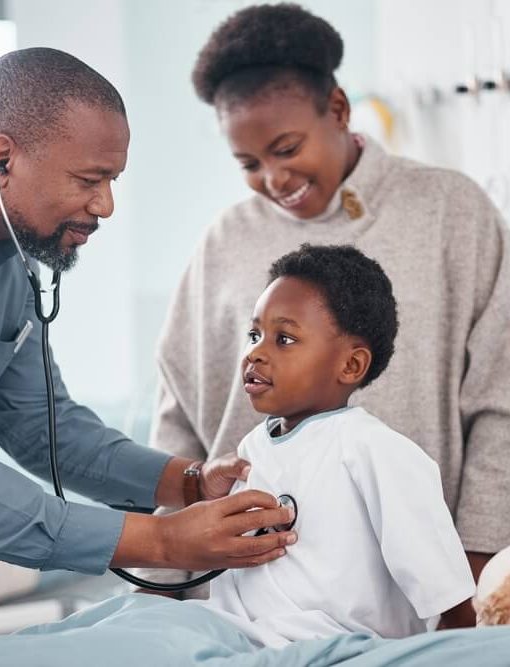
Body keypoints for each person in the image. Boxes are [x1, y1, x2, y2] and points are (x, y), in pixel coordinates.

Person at [143, 2, 510, 621]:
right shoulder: (224, 241)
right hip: (236, 603)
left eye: (287, 148)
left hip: (403, 602)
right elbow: (177, 416)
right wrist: (164, 575)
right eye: (249, 164)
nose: (273, 177)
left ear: (338, 110)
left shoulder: (452, 212)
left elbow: (500, 400)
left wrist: (472, 574)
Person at [0, 47, 296, 580]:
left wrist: (189, 482)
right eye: (89, 180)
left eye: (112, 181)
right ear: (2, 161)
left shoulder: (12, 252)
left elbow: (42, 426)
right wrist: (158, 541)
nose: (105, 205)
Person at [195, 243, 475, 647]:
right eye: (255, 334)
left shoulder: (374, 451)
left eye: (284, 339)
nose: (255, 353)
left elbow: (442, 584)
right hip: (238, 637)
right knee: (134, 623)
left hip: (332, 646)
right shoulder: (253, 448)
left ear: (350, 365)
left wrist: (473, 648)